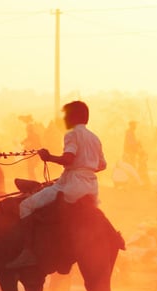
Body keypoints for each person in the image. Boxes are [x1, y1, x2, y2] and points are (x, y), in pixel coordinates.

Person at [7, 101, 107, 269]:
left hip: (71, 187)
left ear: (74, 117)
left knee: (25, 205)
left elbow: (68, 159)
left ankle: (28, 252)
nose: (64, 119)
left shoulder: (71, 135)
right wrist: (84, 169)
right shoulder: (95, 138)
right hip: (91, 187)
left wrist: (48, 157)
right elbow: (102, 165)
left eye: (66, 115)